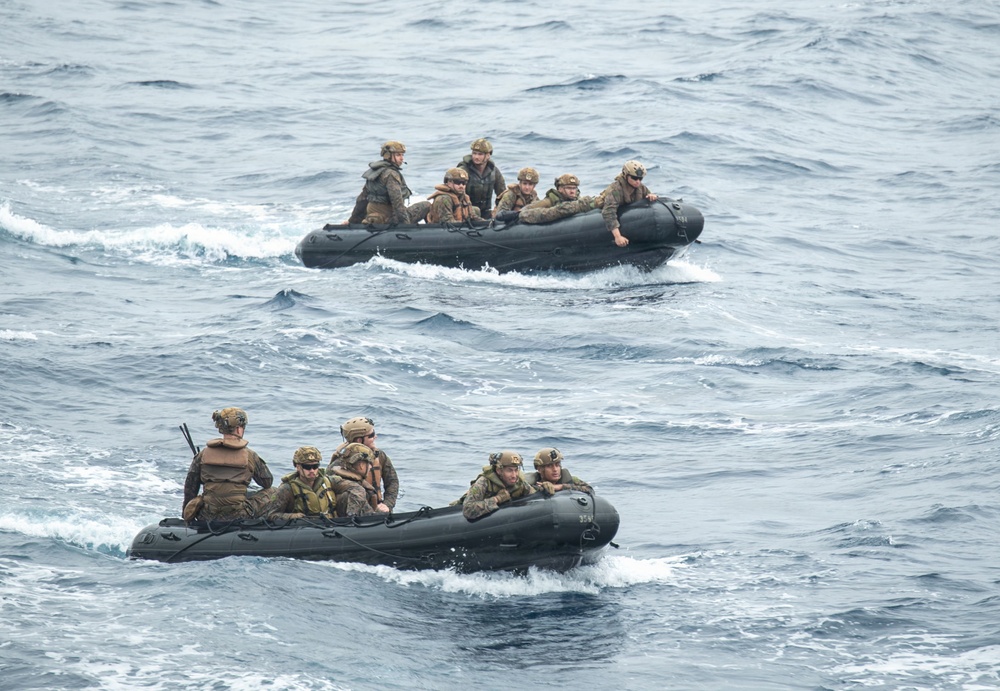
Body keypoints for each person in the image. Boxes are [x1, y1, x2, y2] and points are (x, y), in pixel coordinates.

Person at [182, 407, 279, 522]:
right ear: (239, 429)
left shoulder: (202, 455)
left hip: (207, 515)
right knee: (273, 491)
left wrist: (186, 514)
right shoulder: (250, 455)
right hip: (239, 515)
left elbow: (190, 487)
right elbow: (267, 482)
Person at [347, 140, 430, 225]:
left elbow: (362, 199)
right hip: (389, 218)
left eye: (402, 155)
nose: (402, 158)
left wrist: (352, 221)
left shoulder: (374, 172)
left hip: (372, 216)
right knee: (426, 205)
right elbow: (397, 203)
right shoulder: (391, 174)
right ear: (388, 156)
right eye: (398, 155)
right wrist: (405, 226)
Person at [328, 416, 398, 513]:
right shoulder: (339, 463)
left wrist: (387, 505)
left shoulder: (380, 456)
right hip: (355, 511)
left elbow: (392, 482)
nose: (375, 437)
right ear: (359, 440)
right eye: (371, 435)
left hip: (379, 508)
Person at [457, 451, 540, 521]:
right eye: (509, 471)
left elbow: (534, 496)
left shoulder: (519, 482)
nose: (514, 475)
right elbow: (468, 510)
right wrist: (497, 499)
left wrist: (544, 488)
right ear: (499, 470)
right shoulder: (484, 482)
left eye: (516, 470)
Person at [597, 160, 659, 247]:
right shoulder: (616, 189)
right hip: (600, 202)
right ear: (626, 176)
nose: (638, 181)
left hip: (623, 208)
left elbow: (648, 195)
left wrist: (651, 196)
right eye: (634, 178)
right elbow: (608, 212)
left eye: (640, 179)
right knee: (582, 205)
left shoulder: (641, 188)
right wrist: (617, 236)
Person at [269, 446, 337, 520]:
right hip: (303, 525)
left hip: (330, 522)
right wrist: (292, 516)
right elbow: (272, 515)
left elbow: (350, 487)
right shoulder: (287, 488)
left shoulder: (329, 481)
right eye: (307, 467)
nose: (312, 470)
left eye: (315, 466)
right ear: (298, 467)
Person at [518, 173, 597, 225]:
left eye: (574, 188)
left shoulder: (579, 201)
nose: (572, 191)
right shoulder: (548, 201)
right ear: (560, 189)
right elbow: (526, 211)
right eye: (569, 188)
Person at [456, 138, 506, 217]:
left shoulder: (494, 171)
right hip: (465, 211)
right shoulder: (463, 170)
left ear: (488, 155)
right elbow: (453, 193)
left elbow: (502, 193)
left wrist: (498, 208)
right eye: (474, 153)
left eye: (480, 154)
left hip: (485, 212)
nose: (476, 157)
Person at [328, 442, 380, 517]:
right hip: (344, 523)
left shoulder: (356, 481)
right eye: (369, 464)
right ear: (361, 465)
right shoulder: (352, 487)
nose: (370, 468)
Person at [523, 447, 593, 494]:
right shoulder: (532, 484)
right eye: (549, 466)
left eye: (557, 465)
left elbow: (589, 489)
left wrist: (561, 487)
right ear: (539, 469)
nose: (555, 469)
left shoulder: (570, 479)